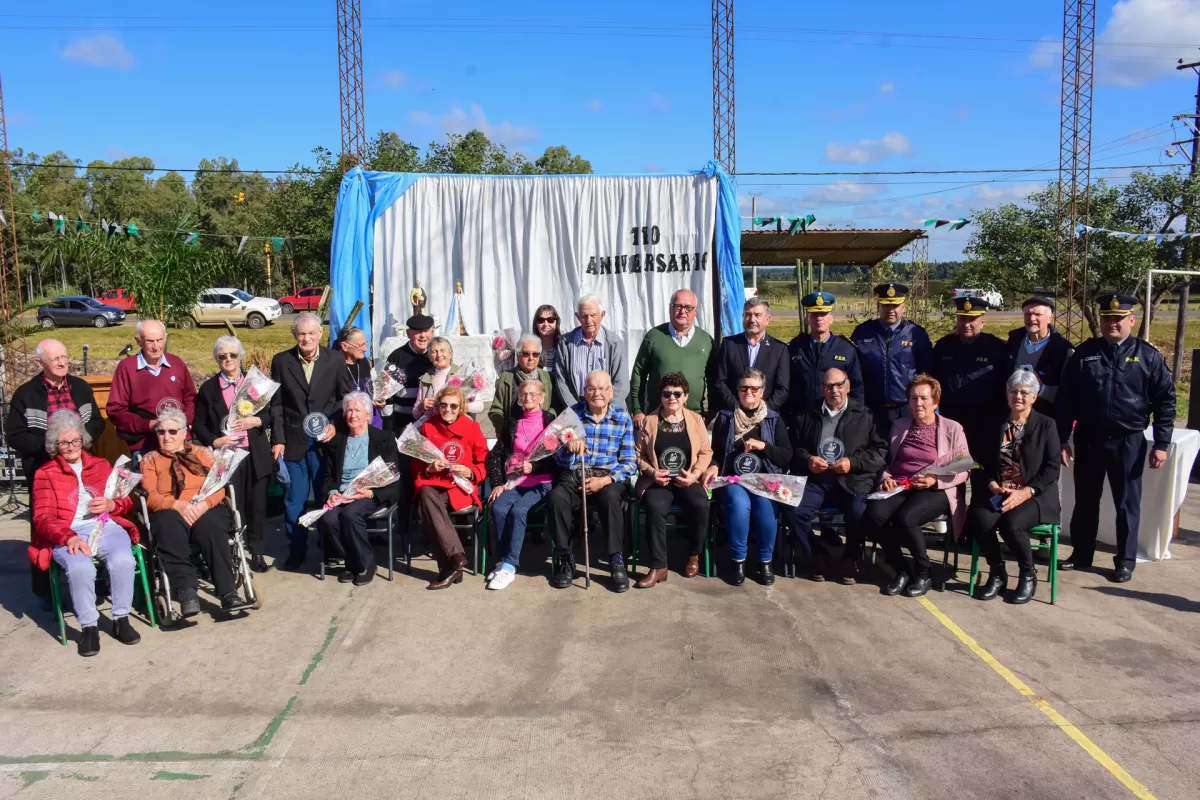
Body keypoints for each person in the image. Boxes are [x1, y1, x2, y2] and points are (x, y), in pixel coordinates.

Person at [1056, 293, 1176, 583]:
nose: (1112, 323)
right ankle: (1081, 554)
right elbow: (1066, 399)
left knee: (1126, 504)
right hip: (1088, 438)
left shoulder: (1148, 356)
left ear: (1131, 321)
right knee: (1085, 501)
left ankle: (1125, 561)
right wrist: (1062, 438)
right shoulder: (1086, 353)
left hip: (1128, 441)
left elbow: (1166, 402)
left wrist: (1161, 443)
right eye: (1107, 318)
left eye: (1118, 319)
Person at [31, 411, 141, 657]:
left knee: (123, 560)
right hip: (68, 532)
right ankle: (89, 626)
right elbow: (42, 518)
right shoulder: (45, 473)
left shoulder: (101, 465)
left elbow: (124, 501)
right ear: (54, 445)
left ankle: (121, 618)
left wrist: (112, 506)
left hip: (106, 526)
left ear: (83, 440)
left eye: (75, 441)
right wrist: (68, 537)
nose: (70, 447)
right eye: (63, 442)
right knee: (81, 567)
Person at [859, 375, 971, 598]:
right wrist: (886, 477)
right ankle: (901, 570)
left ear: (935, 401)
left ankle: (923, 573)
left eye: (924, 398)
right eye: (913, 398)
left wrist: (934, 480)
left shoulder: (952, 428)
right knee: (873, 515)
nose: (918, 403)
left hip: (935, 488)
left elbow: (964, 468)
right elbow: (889, 460)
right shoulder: (899, 425)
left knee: (906, 518)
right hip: (901, 484)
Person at [784, 368, 887, 584]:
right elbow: (795, 448)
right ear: (822, 389)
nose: (835, 390)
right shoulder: (807, 414)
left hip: (853, 480)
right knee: (793, 510)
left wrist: (853, 463)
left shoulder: (865, 415)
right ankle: (817, 552)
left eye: (839, 385)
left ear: (848, 386)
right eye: (829, 386)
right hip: (818, 481)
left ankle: (850, 557)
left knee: (859, 511)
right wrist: (808, 460)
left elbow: (880, 452)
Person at [966, 371, 1061, 604]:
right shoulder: (994, 423)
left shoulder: (1046, 425)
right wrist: (990, 482)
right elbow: (977, 461)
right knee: (979, 519)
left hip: (1033, 495)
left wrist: (1026, 492)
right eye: (1013, 391)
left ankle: (1028, 574)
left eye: (1024, 392)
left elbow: (1052, 467)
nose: (1018, 396)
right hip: (1000, 492)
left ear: (1034, 397)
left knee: (1012, 524)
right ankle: (997, 572)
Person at [141, 406, 241, 617]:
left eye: (172, 431)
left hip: (205, 505)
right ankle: (187, 592)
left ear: (184, 432)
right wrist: (176, 505)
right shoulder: (149, 459)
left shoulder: (202, 453)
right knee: (168, 527)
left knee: (211, 526)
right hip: (170, 509)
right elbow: (150, 496)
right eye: (161, 432)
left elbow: (219, 487)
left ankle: (228, 592)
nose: (166, 437)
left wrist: (203, 505)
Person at [546, 370, 638, 592]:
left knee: (611, 498)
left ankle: (616, 560)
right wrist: (567, 448)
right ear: (584, 393)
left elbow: (629, 461)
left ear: (611, 391)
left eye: (602, 388)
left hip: (607, 477)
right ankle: (565, 558)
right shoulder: (570, 416)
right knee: (556, 498)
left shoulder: (622, 417)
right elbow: (554, 453)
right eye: (591, 389)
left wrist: (606, 480)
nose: (597, 393)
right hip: (576, 473)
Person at [702, 368, 793, 586]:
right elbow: (713, 451)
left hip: (765, 478)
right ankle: (738, 560)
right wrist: (713, 466)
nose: (749, 392)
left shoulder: (773, 419)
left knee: (764, 506)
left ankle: (765, 561)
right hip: (733, 479)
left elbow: (786, 455)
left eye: (754, 388)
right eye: (744, 388)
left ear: (762, 391)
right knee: (738, 504)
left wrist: (765, 446)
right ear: (737, 390)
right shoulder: (725, 418)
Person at [193, 336, 272, 573]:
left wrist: (258, 420)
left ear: (241, 356)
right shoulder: (208, 389)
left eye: (233, 355)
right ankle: (235, 550)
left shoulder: (256, 383)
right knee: (233, 505)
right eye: (222, 356)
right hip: (227, 455)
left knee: (257, 505)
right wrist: (215, 440)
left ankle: (257, 551)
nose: (228, 359)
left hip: (255, 453)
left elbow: (274, 415)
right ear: (216, 359)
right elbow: (198, 424)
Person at [270, 312, 342, 571]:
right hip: (294, 442)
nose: (307, 338)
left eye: (312, 333)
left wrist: (335, 425)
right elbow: (276, 405)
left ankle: (329, 548)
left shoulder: (335, 359)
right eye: (302, 333)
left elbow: (343, 398)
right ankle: (297, 548)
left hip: (325, 442)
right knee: (295, 499)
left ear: (320, 334)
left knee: (325, 497)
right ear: (294, 335)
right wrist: (277, 439)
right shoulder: (281, 361)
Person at [633, 372, 713, 587]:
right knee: (654, 505)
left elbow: (706, 452)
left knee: (700, 503)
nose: (672, 398)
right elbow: (638, 455)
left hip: (687, 478)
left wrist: (695, 474)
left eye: (677, 393)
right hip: (659, 481)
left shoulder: (696, 420)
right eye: (667, 393)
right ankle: (659, 565)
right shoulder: (650, 421)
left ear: (686, 396)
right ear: (661, 396)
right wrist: (652, 473)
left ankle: (694, 554)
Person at [318, 392, 402, 585]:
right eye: (349, 410)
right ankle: (352, 562)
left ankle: (366, 564)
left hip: (369, 492)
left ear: (368, 415)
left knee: (349, 515)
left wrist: (371, 492)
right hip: (342, 493)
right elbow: (328, 476)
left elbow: (394, 476)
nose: (352, 415)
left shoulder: (384, 438)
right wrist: (332, 493)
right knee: (328, 518)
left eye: (357, 410)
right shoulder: (337, 441)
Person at [412, 385, 489, 590]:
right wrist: (429, 467)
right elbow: (416, 463)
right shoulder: (428, 427)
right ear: (437, 406)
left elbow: (483, 463)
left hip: (459, 487)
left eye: (454, 406)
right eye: (444, 405)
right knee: (426, 494)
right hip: (435, 482)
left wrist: (470, 472)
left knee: (426, 506)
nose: (448, 410)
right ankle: (455, 558)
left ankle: (450, 567)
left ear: (461, 407)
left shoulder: (471, 427)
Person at [484, 379, 557, 590]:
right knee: (498, 507)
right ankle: (503, 560)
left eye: (533, 394)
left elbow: (555, 458)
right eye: (524, 394)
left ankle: (509, 565)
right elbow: (495, 454)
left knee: (519, 511)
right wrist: (498, 483)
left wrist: (534, 467)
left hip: (541, 482)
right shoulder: (513, 422)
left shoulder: (550, 422)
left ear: (542, 399)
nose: (528, 398)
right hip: (515, 482)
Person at [7, 338, 105, 492]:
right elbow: (15, 435)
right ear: (39, 363)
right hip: (43, 467)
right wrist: (52, 446)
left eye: (64, 357)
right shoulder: (25, 394)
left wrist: (79, 441)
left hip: (82, 463)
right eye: (55, 359)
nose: (62, 363)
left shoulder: (81, 387)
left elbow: (97, 421)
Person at [851, 284, 934, 440]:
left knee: (906, 455)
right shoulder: (862, 332)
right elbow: (854, 371)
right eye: (886, 305)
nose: (890, 310)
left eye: (895, 305)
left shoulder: (916, 334)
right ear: (878, 306)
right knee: (875, 458)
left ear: (903, 307)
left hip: (906, 409)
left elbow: (926, 373)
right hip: (871, 409)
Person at [931, 296, 1009, 461]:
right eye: (962, 318)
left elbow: (1005, 385)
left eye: (972, 319)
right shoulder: (944, 346)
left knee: (982, 476)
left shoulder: (996, 349)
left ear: (982, 321)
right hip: (951, 421)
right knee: (952, 472)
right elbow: (933, 381)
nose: (966, 324)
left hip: (985, 423)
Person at [107, 319, 196, 455]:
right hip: (145, 445)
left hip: (179, 441)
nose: (156, 346)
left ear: (165, 338)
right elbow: (115, 410)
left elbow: (191, 399)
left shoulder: (177, 364)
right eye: (150, 341)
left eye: (159, 340)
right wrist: (148, 425)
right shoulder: (127, 368)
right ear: (138, 341)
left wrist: (182, 421)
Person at [629, 289, 714, 428]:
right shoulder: (654, 337)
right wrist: (637, 410)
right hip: (656, 417)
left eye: (688, 307)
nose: (682, 311)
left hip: (694, 418)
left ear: (695, 311)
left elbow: (714, 378)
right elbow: (639, 374)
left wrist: (712, 410)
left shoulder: (706, 340)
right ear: (670, 309)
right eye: (678, 306)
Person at [786, 291, 863, 414]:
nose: (819, 318)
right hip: (801, 417)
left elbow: (857, 388)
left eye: (823, 314)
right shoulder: (794, 347)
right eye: (815, 314)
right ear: (807, 318)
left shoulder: (846, 348)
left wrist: (855, 417)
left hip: (836, 416)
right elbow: (787, 386)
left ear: (831, 318)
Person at [710, 298, 790, 413]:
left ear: (768, 320)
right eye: (748, 315)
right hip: (734, 414)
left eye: (757, 315)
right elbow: (720, 381)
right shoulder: (729, 345)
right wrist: (737, 407)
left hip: (765, 416)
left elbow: (782, 389)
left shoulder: (780, 349)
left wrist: (763, 410)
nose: (752, 320)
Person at [552, 296, 628, 410]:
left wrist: (605, 411)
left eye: (593, 315)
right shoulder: (566, 343)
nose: (589, 320)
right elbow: (561, 381)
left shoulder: (614, 343)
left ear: (602, 315)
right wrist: (576, 410)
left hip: (609, 409)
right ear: (578, 317)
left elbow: (621, 384)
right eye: (584, 316)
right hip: (576, 408)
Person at [1005, 296, 1074, 417]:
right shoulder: (1014, 340)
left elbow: (1068, 393)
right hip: (1012, 417)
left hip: (1044, 418)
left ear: (1050, 318)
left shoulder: (1063, 349)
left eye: (1038, 314)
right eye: (1027, 314)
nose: (1032, 318)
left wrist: (1041, 389)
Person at [488, 334, 554, 441]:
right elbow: (496, 409)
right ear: (518, 355)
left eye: (535, 354)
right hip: (513, 436)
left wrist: (548, 421)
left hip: (541, 435)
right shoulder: (506, 378)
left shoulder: (548, 377)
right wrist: (501, 430)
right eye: (526, 354)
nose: (531, 358)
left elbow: (554, 406)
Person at [383, 313, 435, 432]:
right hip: (403, 422)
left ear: (432, 332)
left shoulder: (436, 355)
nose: (422, 336)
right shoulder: (397, 357)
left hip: (433, 422)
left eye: (426, 331)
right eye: (417, 331)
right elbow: (385, 392)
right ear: (408, 333)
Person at [415, 336, 486, 418]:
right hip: (433, 427)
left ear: (450, 354)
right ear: (430, 357)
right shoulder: (425, 379)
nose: (439, 355)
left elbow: (480, 406)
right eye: (434, 352)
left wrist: (459, 406)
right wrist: (421, 406)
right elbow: (415, 414)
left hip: (458, 427)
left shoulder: (463, 374)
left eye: (443, 350)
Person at [335, 324, 382, 428]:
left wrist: (376, 400)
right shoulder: (335, 367)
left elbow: (368, 388)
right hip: (349, 420)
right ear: (344, 346)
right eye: (360, 345)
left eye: (365, 343)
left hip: (371, 417)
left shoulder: (363, 362)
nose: (365, 349)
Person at [532, 304, 562, 375]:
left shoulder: (563, 347)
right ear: (536, 324)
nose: (545, 324)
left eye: (550, 320)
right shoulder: (530, 347)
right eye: (541, 320)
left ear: (556, 323)